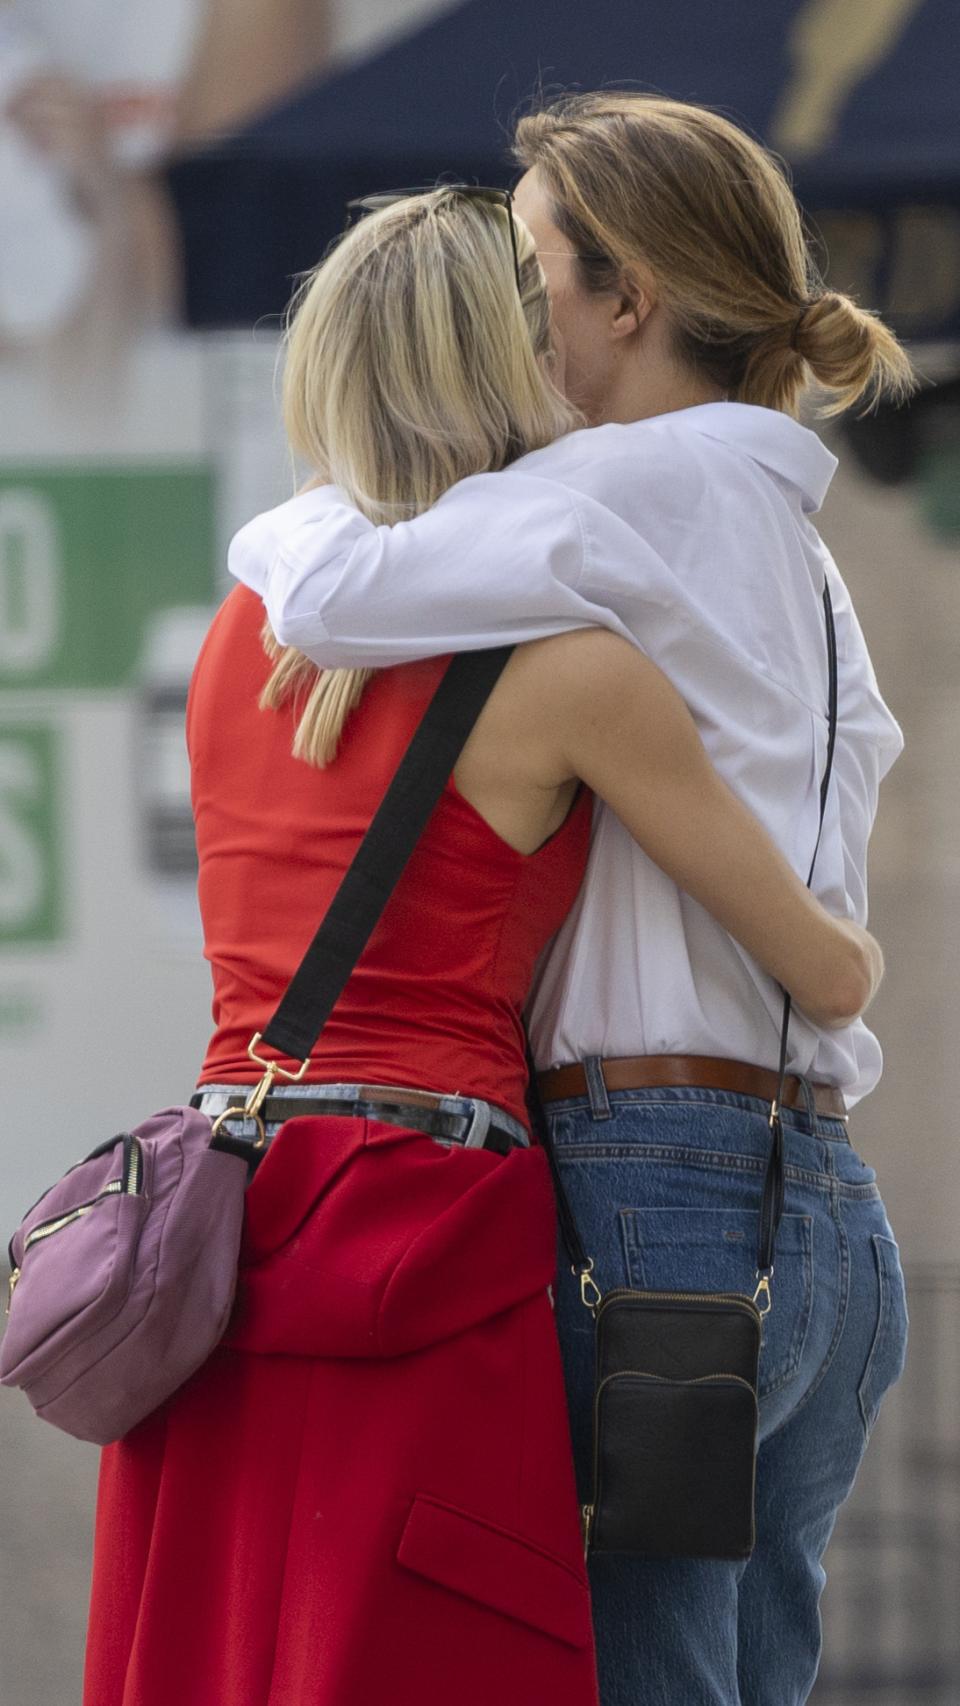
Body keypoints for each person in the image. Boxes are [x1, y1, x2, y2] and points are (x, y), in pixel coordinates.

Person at [82, 184, 882, 1706]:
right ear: (499, 363)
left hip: (234, 1224)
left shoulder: (236, 638)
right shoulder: (574, 670)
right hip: (437, 1223)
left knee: (241, 1648)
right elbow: (823, 965)